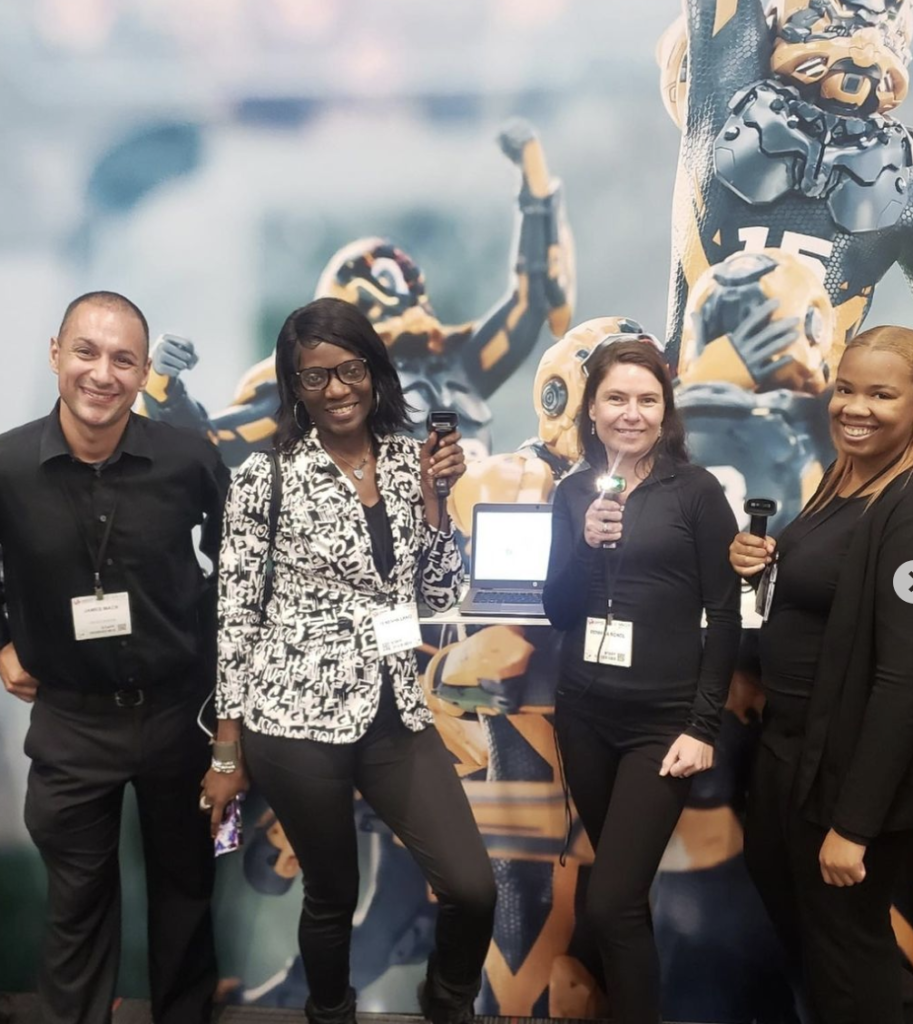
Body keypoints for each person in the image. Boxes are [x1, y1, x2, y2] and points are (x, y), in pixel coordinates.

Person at [202, 296, 496, 1024]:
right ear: (295, 386)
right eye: (315, 376)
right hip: (293, 720)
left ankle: (446, 1001)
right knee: (331, 895)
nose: (336, 389)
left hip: (394, 710)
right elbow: (235, 617)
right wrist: (227, 748)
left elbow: (439, 593)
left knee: (471, 887)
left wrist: (436, 502)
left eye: (349, 370)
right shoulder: (266, 477)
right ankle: (329, 1011)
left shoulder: (408, 461)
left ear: (374, 372)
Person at [0, 291, 229, 1024]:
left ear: (142, 372)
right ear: (55, 354)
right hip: (70, 721)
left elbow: (238, 570)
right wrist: (2, 640)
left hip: (179, 714)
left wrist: (222, 692)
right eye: (87, 352)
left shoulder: (189, 460)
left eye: (124, 360)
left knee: (186, 895)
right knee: (77, 906)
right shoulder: (7, 466)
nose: (103, 374)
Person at [542, 337, 741, 1024]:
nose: (632, 413)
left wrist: (702, 725)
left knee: (609, 902)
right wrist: (584, 544)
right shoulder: (573, 492)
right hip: (583, 718)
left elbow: (724, 614)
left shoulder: (696, 492)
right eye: (617, 399)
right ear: (592, 410)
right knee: (622, 900)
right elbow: (559, 609)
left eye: (647, 400)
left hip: (661, 727)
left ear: (665, 410)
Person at [729, 324, 913, 1024]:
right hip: (789, 751)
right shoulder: (843, 477)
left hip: (844, 775)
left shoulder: (903, 507)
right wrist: (762, 562)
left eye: (881, 395)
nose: (854, 407)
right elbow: (829, 589)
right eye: (844, 389)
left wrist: (854, 827)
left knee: (847, 955)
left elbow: (902, 682)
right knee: (812, 947)